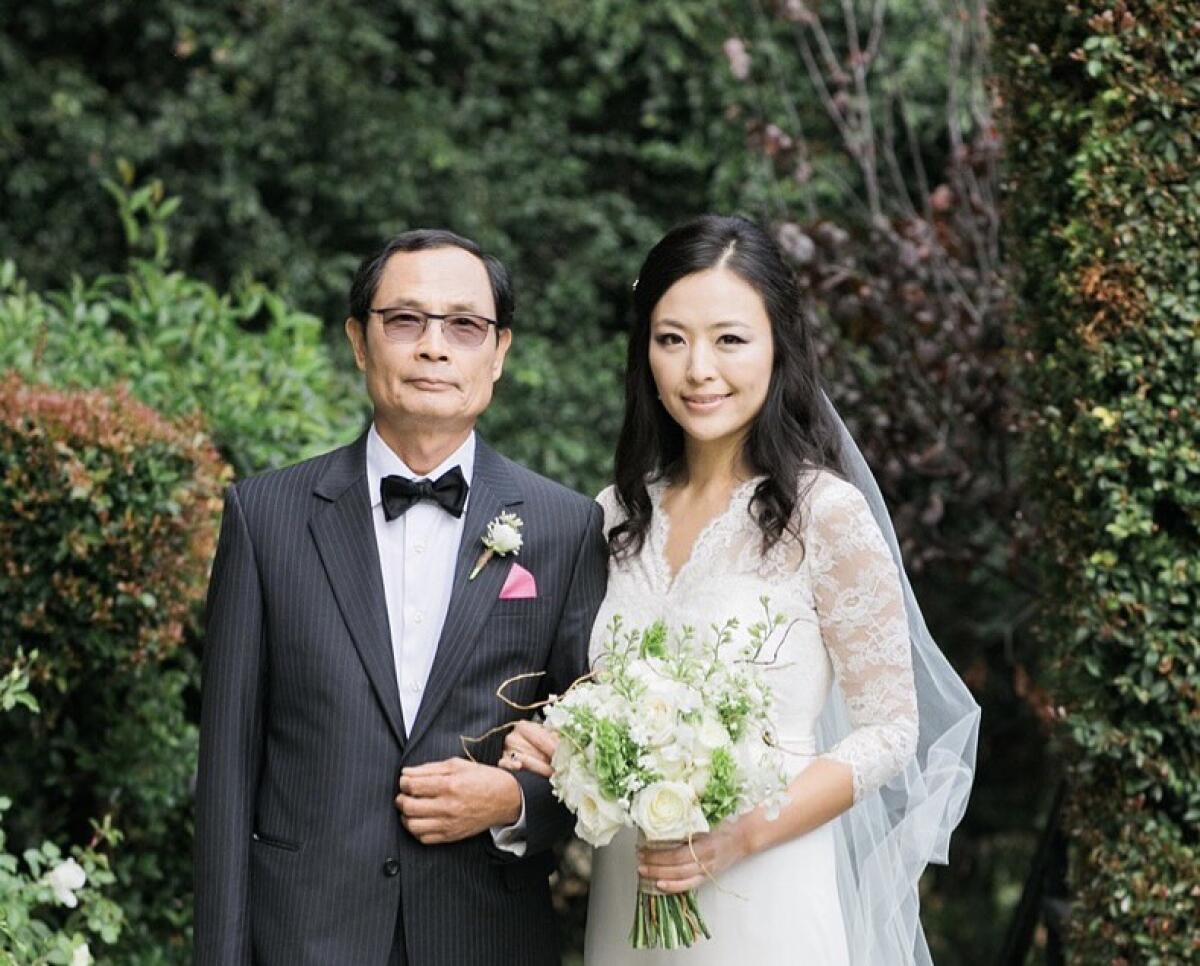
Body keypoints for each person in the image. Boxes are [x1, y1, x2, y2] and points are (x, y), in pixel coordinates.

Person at [502, 214, 980, 964]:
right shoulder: (614, 514)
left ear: (778, 346)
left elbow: (890, 731)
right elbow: (593, 696)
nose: (698, 369)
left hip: (770, 888)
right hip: (632, 892)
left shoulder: (824, 515)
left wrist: (743, 832)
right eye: (671, 339)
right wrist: (567, 747)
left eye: (729, 338)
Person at [194, 229, 608, 965]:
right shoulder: (265, 518)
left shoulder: (567, 527)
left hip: (486, 933)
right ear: (360, 341)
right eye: (405, 320)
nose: (434, 347)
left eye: (464, 326)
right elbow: (226, 771)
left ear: (499, 351)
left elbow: (595, 752)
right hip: (305, 937)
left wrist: (513, 802)